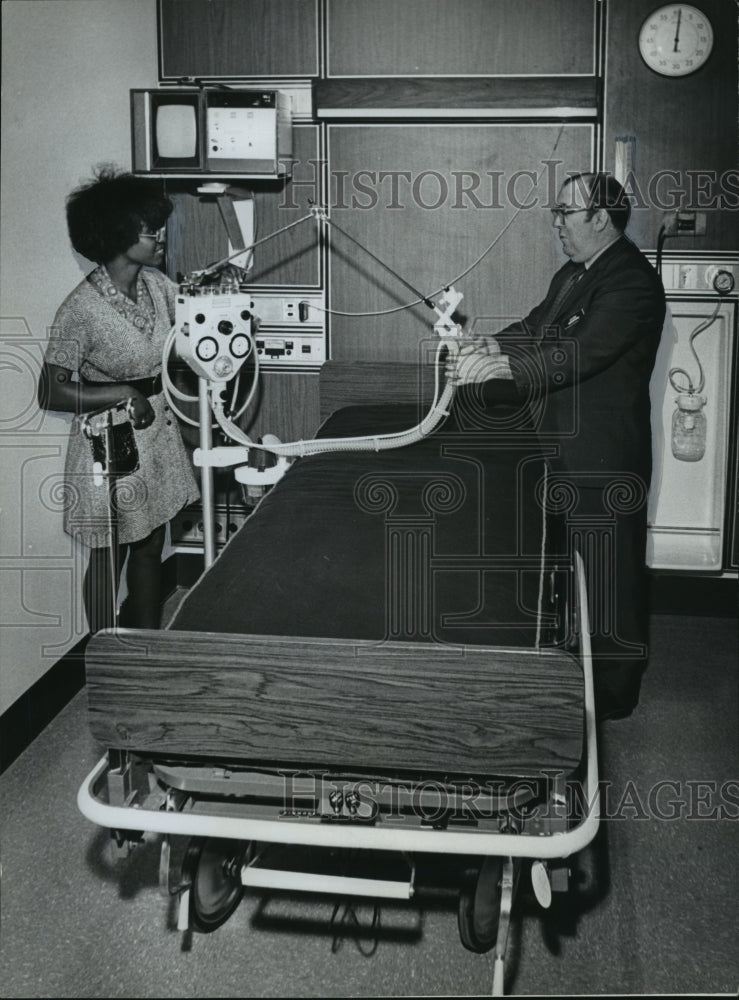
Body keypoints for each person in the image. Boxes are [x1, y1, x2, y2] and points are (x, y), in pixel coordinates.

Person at [448, 171, 666, 720]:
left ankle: (614, 697)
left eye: (566, 213)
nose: (556, 224)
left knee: (610, 572)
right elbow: (539, 326)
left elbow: (581, 352)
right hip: (564, 447)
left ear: (601, 218)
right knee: (577, 570)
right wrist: (493, 341)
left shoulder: (632, 282)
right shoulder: (576, 273)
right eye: (557, 212)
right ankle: (577, 670)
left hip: (605, 452)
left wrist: (504, 368)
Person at [38, 166, 199, 632]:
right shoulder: (81, 309)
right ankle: (104, 653)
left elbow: (189, 321)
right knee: (110, 554)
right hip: (108, 446)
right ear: (118, 234)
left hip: (157, 436)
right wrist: (124, 392)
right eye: (150, 227)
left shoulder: (156, 286)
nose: (160, 234)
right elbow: (51, 388)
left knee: (151, 546)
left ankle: (146, 646)